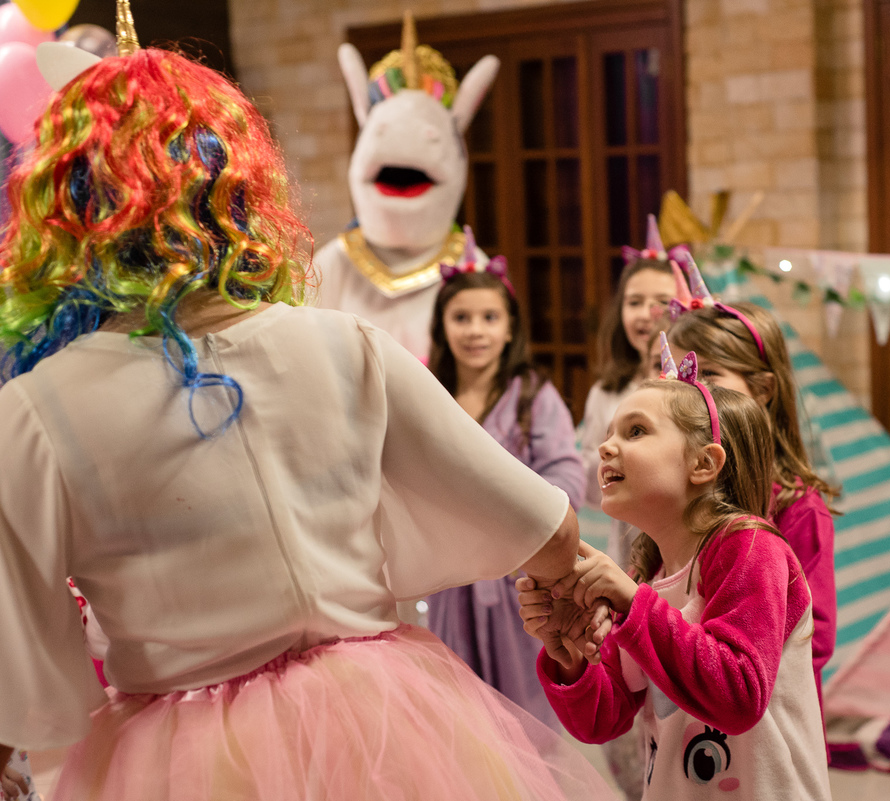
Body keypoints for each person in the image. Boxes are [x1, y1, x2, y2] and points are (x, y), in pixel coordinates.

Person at [0, 44, 614, 801]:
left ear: (68, 210)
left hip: (178, 759)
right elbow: (544, 527)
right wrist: (569, 594)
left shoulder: (36, 411)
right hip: (389, 729)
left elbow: (18, 682)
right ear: (237, 190)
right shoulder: (345, 344)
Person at [518, 342, 833, 800]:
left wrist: (633, 604)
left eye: (636, 431)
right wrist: (570, 656)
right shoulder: (646, 575)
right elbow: (602, 722)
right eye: (609, 433)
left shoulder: (750, 547)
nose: (605, 446)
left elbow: (739, 696)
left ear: (703, 464)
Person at [425, 228, 585, 728]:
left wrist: (520, 519)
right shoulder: (428, 393)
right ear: (442, 325)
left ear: (511, 327)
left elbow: (567, 475)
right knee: (459, 715)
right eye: (461, 318)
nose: (475, 331)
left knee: (523, 716)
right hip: (452, 580)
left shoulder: (533, 397)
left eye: (489, 318)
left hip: (521, 582)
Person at [666, 254, 838, 715]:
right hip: (690, 705)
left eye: (710, 374)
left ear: (762, 390)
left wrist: (733, 673)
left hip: (770, 717)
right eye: (682, 375)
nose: (692, 390)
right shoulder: (685, 492)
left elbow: (815, 635)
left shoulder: (799, 508)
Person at [579, 215, 684, 568]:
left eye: (661, 301)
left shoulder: (693, 392)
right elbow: (591, 489)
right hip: (628, 553)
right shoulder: (605, 393)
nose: (647, 314)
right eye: (634, 302)